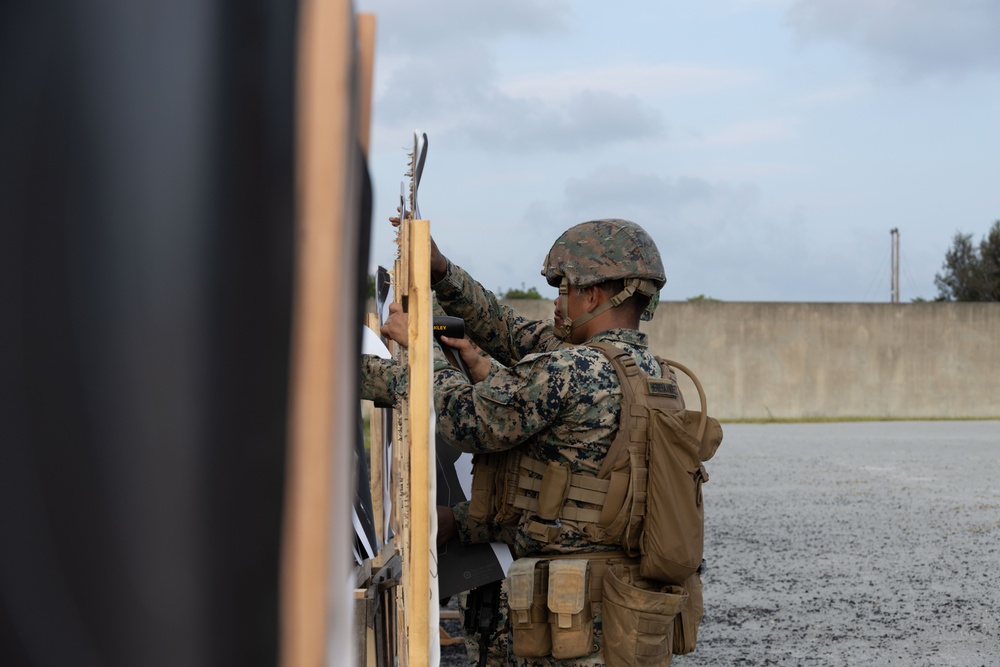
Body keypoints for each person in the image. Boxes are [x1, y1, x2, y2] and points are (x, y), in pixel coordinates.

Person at [361, 218, 676, 666]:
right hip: (624, 608)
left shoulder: (570, 370)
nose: (557, 300)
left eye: (564, 288)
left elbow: (463, 417)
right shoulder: (652, 373)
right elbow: (509, 332)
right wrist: (442, 272)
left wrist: (416, 342)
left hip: (569, 613)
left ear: (594, 294)